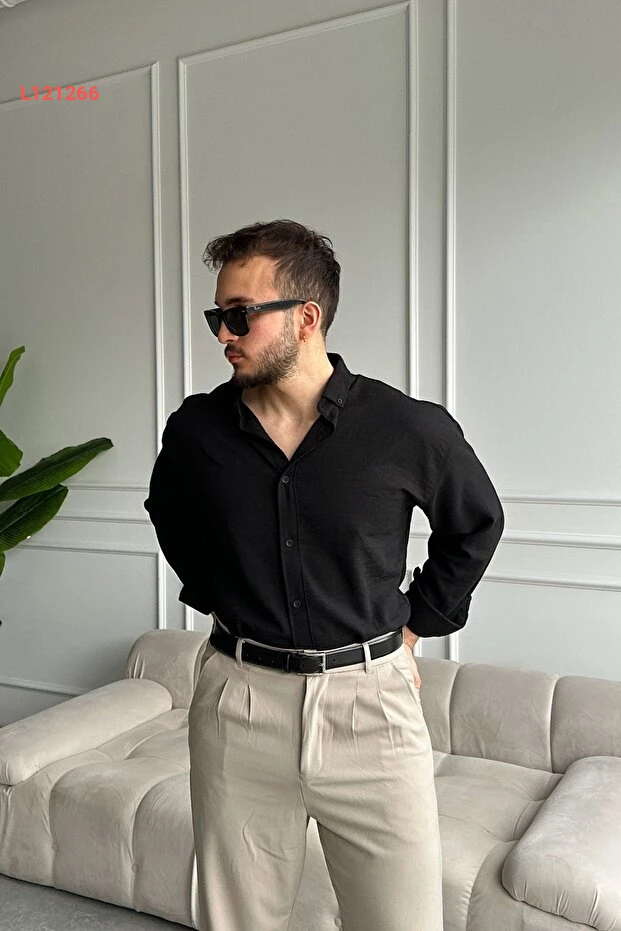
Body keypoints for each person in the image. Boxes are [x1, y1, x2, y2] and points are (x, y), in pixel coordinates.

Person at [144, 218, 504, 931]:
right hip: (238, 703)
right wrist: (217, 593)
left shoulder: (406, 427)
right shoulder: (196, 431)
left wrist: (417, 624)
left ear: (305, 318)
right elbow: (169, 513)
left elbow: (475, 524)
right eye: (217, 316)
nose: (223, 335)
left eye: (239, 315)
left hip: (372, 709)